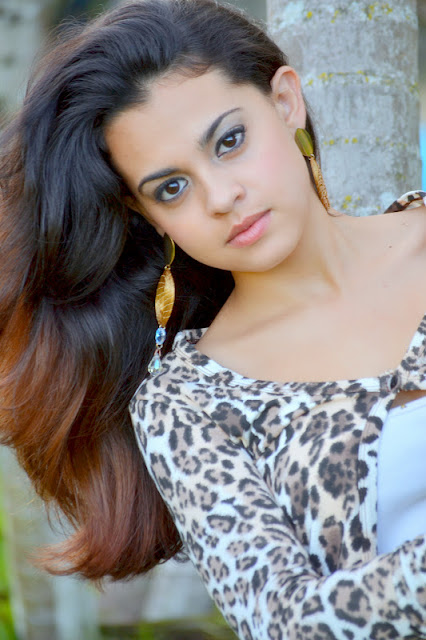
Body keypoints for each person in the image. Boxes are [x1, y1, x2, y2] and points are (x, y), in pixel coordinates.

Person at [0, 0, 425, 637]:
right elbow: (285, 622)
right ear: (145, 214)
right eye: (172, 187)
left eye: (230, 141)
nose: (223, 197)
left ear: (285, 102)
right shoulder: (190, 402)